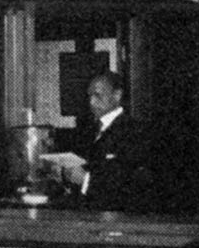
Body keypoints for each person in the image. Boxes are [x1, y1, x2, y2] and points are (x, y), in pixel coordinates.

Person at [59, 72, 157, 212]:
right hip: (85, 214)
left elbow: (132, 182)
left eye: (98, 95)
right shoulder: (87, 130)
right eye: (89, 96)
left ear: (117, 96)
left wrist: (86, 180)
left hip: (119, 217)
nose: (91, 102)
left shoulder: (135, 131)